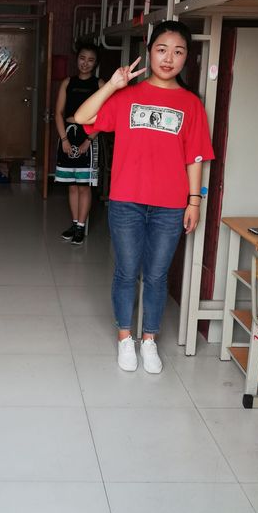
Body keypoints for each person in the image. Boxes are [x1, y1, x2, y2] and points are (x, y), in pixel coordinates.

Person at [74, 20, 214, 374]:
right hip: (127, 201)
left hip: (171, 205)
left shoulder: (191, 104)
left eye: (178, 52)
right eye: (162, 50)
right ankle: (125, 338)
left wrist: (194, 201)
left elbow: (195, 157)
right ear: (149, 52)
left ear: (187, 57)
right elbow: (82, 116)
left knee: (156, 275)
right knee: (126, 272)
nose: (169, 58)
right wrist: (113, 85)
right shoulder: (127, 97)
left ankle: (149, 339)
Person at [54, 42, 104, 245]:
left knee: (84, 186)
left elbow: (105, 116)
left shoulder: (99, 84)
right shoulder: (68, 82)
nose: (85, 63)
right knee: (72, 186)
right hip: (67, 137)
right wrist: (64, 140)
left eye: (91, 60)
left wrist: (89, 141)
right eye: (82, 58)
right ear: (77, 59)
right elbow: (58, 113)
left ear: (95, 63)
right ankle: (74, 224)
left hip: (88, 138)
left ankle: (81, 227)